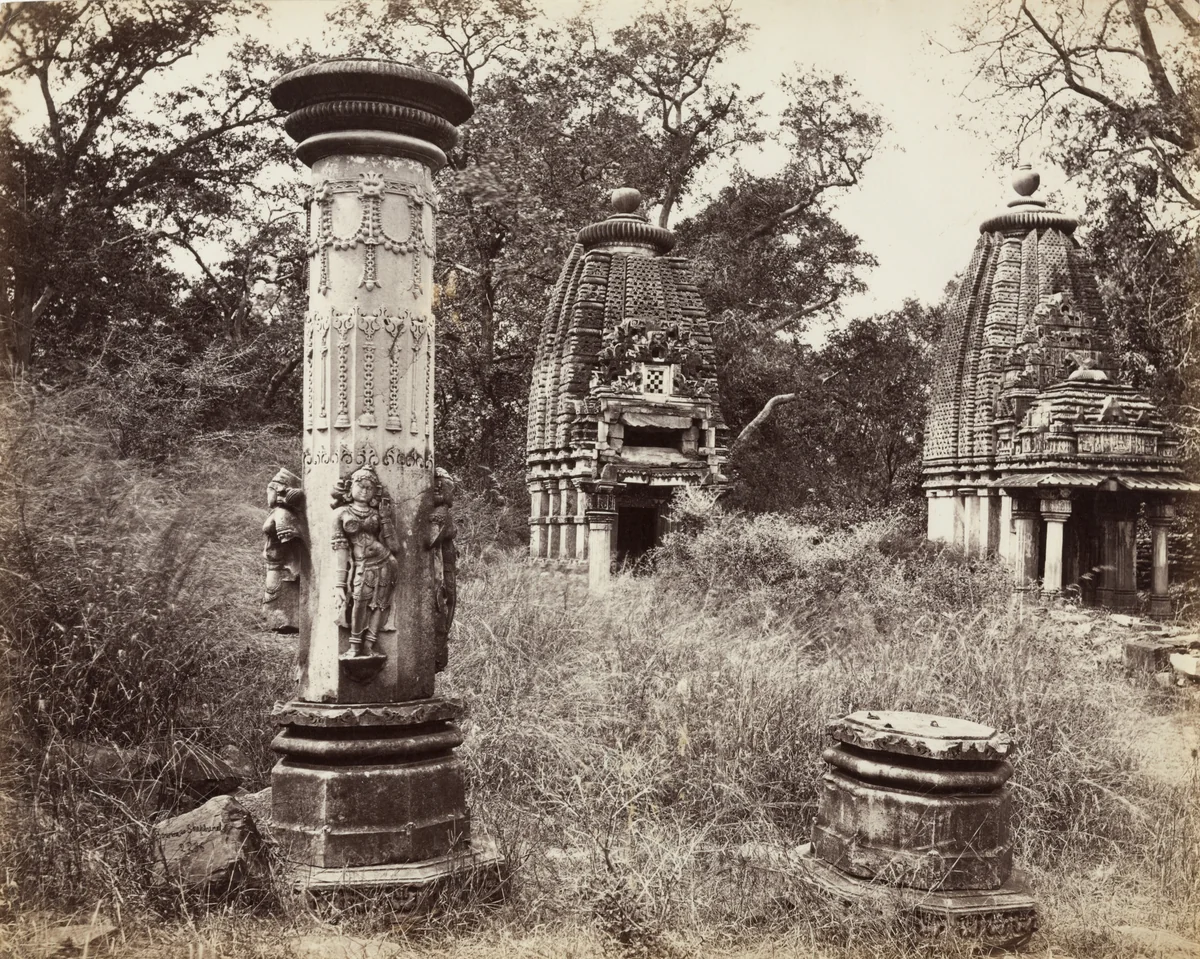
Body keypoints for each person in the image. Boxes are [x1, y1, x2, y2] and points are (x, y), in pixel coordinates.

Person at [331, 466, 400, 657]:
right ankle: (354, 647)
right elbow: (341, 548)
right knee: (359, 601)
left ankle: (369, 646)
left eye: (369, 488)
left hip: (386, 562)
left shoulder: (377, 514)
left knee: (379, 604)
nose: (364, 491)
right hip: (362, 565)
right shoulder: (341, 513)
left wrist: (385, 518)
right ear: (350, 487)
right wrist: (339, 584)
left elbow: (394, 546)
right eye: (360, 486)